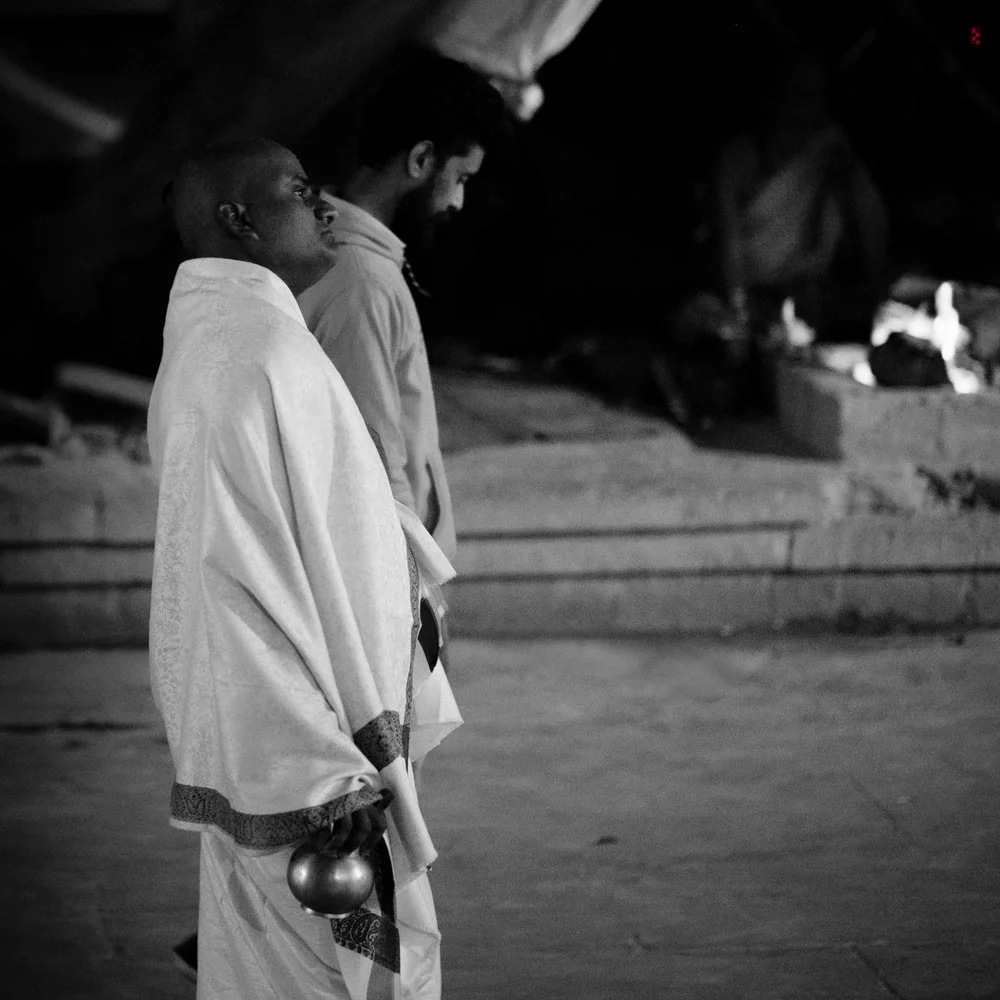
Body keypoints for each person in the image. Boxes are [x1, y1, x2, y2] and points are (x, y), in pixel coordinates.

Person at [150, 138, 459, 1000]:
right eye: (297, 191)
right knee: (320, 978)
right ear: (238, 220)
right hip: (307, 766)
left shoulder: (241, 339)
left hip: (307, 743)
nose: (323, 205)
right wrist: (317, 771)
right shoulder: (251, 358)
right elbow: (228, 589)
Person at [297, 56, 508, 656]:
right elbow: (371, 459)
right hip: (383, 589)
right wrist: (413, 601)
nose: (459, 201)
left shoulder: (354, 259)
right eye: (459, 177)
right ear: (420, 160)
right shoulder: (360, 278)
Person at [714, 52, 888, 344]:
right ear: (776, 98)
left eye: (818, 98)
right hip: (748, 294)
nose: (811, 109)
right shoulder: (741, 158)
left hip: (806, 295)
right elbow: (729, 250)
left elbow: (867, 227)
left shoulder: (829, 151)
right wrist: (738, 310)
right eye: (801, 96)